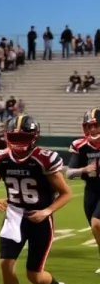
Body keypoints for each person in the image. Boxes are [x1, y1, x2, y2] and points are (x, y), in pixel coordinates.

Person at [0, 115, 71, 284]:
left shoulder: (44, 159)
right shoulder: (1, 158)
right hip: (14, 216)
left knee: (35, 275)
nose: (19, 141)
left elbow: (66, 193)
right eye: (15, 136)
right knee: (5, 263)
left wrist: (47, 211)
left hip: (39, 218)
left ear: (33, 137)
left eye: (23, 136)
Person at [66, 109, 100, 273]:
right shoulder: (80, 145)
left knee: (97, 223)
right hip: (91, 189)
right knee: (95, 228)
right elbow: (69, 173)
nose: (93, 129)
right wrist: (84, 170)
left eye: (96, 125)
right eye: (89, 126)